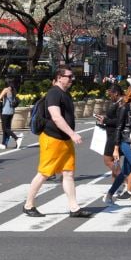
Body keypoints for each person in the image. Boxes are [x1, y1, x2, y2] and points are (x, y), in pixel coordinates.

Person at [23, 67, 91, 218]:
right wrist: (72, 134)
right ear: (59, 77)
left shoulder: (64, 94)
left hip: (64, 140)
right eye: (69, 76)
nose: (72, 79)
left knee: (68, 173)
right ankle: (28, 205)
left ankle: (74, 208)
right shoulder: (54, 93)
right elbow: (56, 117)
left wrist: (69, 135)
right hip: (52, 139)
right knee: (44, 173)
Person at [109, 84, 131, 203]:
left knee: (125, 171)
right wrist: (116, 148)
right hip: (126, 141)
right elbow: (119, 127)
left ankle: (110, 193)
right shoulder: (125, 108)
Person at [95, 83, 124, 200]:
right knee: (115, 161)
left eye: (110, 94)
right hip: (111, 133)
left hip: (114, 135)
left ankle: (125, 179)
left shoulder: (120, 104)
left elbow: (119, 121)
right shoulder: (118, 102)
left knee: (108, 160)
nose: (109, 96)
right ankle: (115, 187)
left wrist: (105, 120)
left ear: (116, 93)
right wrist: (104, 120)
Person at [0, 78, 23, 150]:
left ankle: (17, 138)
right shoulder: (14, 90)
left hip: (5, 111)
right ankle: (3, 144)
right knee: (7, 128)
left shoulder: (6, 89)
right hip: (11, 111)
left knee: (5, 128)